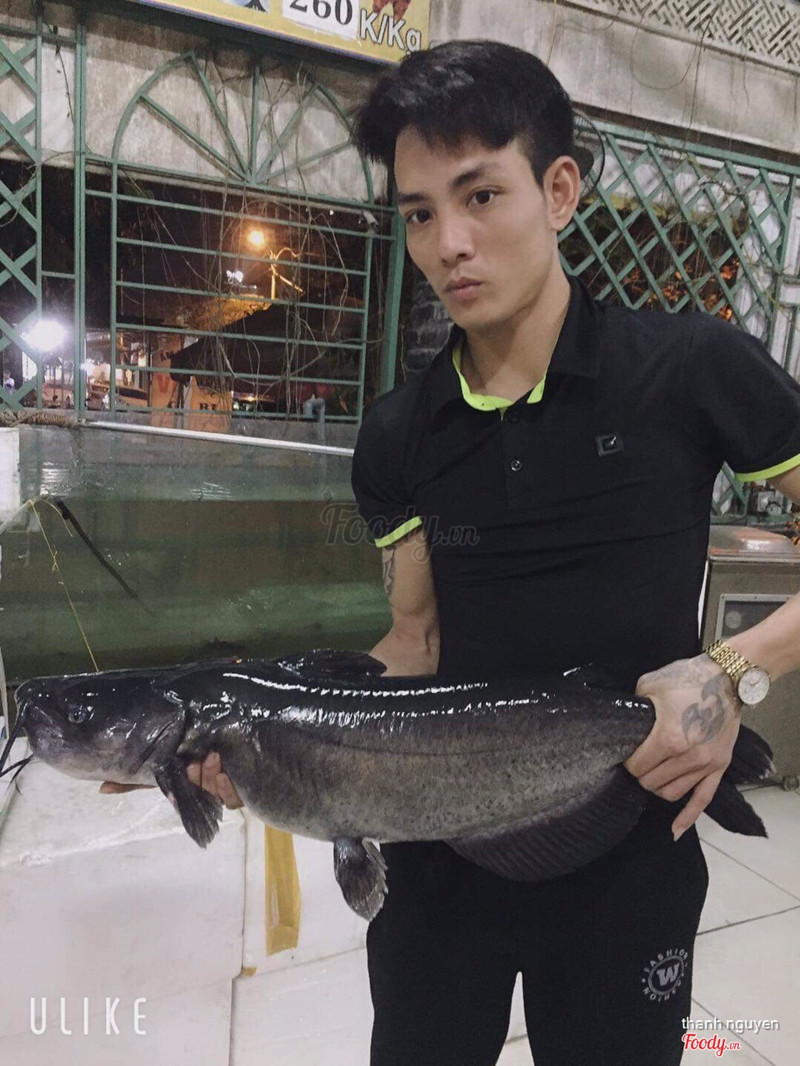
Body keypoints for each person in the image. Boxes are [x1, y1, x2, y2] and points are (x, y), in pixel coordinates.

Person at [102, 40, 800, 1066]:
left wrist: (735, 668)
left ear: (558, 191)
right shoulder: (398, 432)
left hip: (628, 844)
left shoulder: (689, 367)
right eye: (420, 214)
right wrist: (275, 746)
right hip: (434, 853)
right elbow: (415, 639)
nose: (449, 245)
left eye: (480, 196)